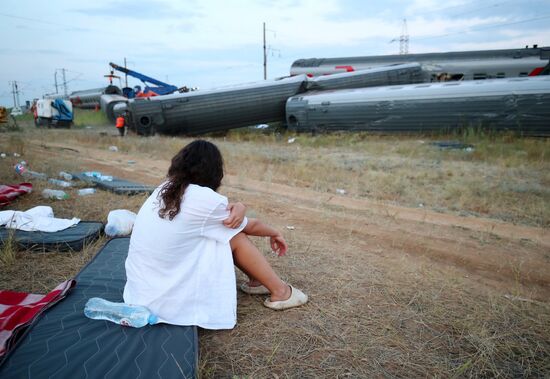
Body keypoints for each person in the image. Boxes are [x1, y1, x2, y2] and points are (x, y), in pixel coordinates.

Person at [123, 140, 307, 330]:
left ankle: (256, 281)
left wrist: (241, 206)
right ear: (214, 171)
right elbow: (251, 225)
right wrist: (275, 232)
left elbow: (218, 216)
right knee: (234, 236)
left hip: (140, 293)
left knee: (225, 231)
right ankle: (281, 292)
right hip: (165, 302)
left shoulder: (164, 189)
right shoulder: (202, 197)